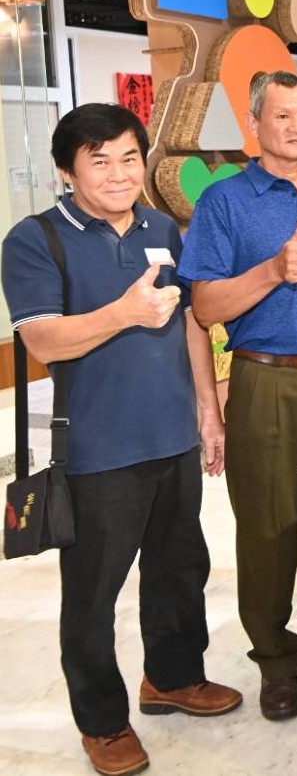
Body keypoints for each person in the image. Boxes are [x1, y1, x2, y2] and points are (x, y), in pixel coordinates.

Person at [1, 103, 240, 776]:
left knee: (180, 570)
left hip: (172, 437)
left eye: (129, 158)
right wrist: (123, 313)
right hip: (98, 450)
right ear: (66, 171)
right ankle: (103, 722)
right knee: (94, 594)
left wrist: (208, 411)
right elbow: (43, 339)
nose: (118, 174)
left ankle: (173, 676)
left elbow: (190, 323)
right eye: (99, 161)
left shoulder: (162, 228)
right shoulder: (36, 239)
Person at [178, 71, 297, 723]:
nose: (296, 126)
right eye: (282, 115)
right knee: (269, 529)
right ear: (254, 125)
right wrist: (270, 271)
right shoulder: (226, 203)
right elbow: (204, 306)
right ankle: (275, 660)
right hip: (268, 380)